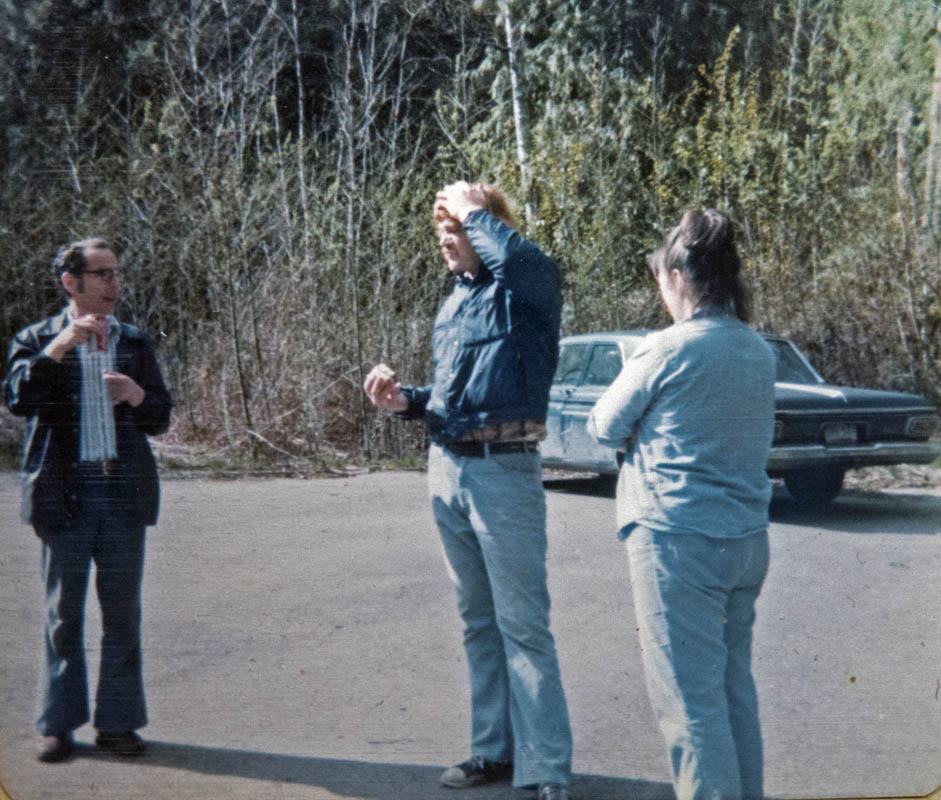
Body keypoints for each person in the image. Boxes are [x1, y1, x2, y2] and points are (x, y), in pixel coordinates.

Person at [363, 181, 573, 800]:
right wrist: (405, 402)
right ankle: (493, 752)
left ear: (487, 227)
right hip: (448, 466)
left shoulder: (528, 291)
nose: (447, 244)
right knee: (478, 622)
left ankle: (546, 770)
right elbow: (453, 399)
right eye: (442, 235)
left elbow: (524, 264)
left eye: (457, 231)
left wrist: (476, 211)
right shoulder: (456, 302)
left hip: (504, 470)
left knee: (523, 625)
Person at [586, 210, 775, 800]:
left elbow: (602, 425)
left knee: (690, 707)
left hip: (676, 541)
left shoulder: (664, 349)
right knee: (731, 692)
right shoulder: (758, 350)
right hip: (744, 541)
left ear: (675, 275)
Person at [4, 238, 172, 763]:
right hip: (64, 493)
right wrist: (59, 349)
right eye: (102, 274)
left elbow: (160, 416)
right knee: (64, 614)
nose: (114, 284)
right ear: (71, 282)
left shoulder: (134, 342)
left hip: (122, 493)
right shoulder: (37, 339)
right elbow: (17, 397)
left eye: (117, 273)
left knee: (123, 614)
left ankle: (118, 724)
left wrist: (138, 396)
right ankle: (58, 724)